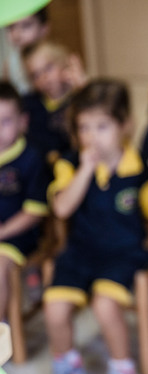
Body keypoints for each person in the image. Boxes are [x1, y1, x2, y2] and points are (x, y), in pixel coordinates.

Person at [42, 79, 148, 374]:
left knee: (105, 306)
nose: (91, 136)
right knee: (54, 309)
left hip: (124, 253)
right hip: (80, 251)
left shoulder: (139, 171)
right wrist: (85, 171)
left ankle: (122, 370)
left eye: (102, 126)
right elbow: (62, 208)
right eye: (84, 127)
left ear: (125, 125)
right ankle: (67, 364)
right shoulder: (69, 164)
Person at [0, 81, 48, 324]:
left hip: (19, 235)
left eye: (5, 121)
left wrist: (3, 232)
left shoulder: (31, 158)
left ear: (22, 122)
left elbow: (34, 212)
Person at [21, 40, 86, 164]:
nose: (43, 78)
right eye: (35, 75)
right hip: (42, 169)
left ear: (63, 63)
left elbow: (98, 110)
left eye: (48, 68)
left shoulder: (77, 98)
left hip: (75, 163)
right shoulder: (29, 103)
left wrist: (82, 86)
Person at [2, 6, 49, 94]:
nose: (17, 35)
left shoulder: (53, 59)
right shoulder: (9, 64)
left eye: (26, 25)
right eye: (11, 26)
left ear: (44, 29)